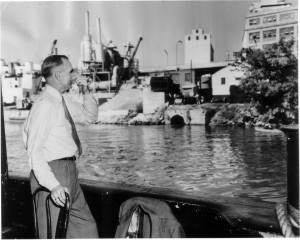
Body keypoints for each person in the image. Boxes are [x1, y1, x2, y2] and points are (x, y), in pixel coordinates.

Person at [23, 55, 99, 238]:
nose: (75, 74)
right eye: (70, 70)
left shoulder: (61, 102)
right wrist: (53, 185)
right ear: (58, 75)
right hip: (53, 173)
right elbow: (34, 151)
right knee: (51, 234)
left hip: (70, 172)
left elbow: (90, 117)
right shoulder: (45, 105)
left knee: (86, 229)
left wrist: (86, 90)